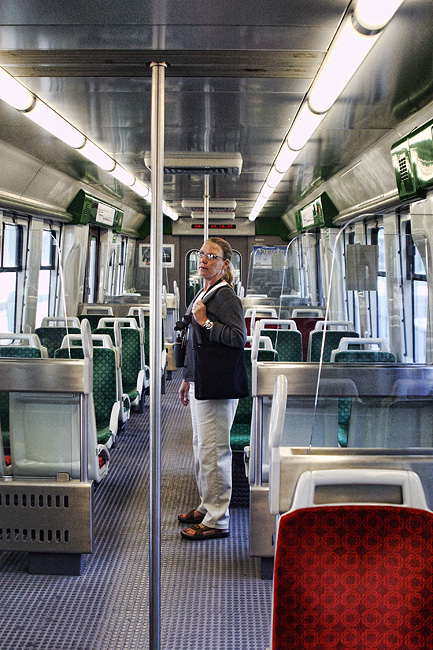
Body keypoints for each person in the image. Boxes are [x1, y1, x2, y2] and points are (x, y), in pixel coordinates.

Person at [178, 237, 247, 540]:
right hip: (201, 379)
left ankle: (218, 520)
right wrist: (187, 377)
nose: (203, 260)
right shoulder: (205, 291)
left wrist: (205, 321)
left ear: (225, 263)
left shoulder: (226, 296)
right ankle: (207, 506)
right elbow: (195, 343)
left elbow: (238, 338)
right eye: (202, 254)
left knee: (214, 452)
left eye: (212, 256)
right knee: (201, 449)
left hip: (218, 384)